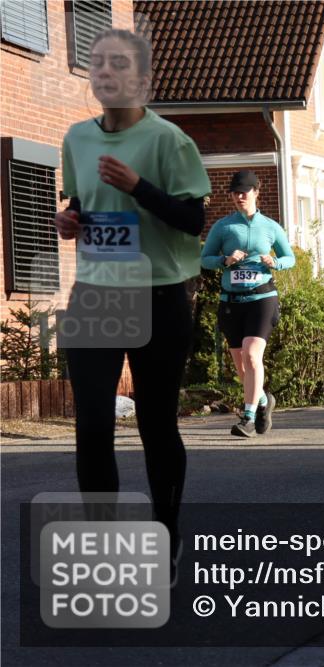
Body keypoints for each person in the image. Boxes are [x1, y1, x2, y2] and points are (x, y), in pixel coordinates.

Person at [53, 29, 211, 580]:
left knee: (155, 423)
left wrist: (140, 186)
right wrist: (68, 221)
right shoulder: (76, 139)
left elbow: (194, 221)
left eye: (119, 65)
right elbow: (83, 204)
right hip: (97, 293)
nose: (105, 73)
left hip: (161, 294)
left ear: (143, 80)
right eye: (96, 64)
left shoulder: (170, 141)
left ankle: (167, 536)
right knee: (93, 425)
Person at [201, 170, 294, 437]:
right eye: (235, 192)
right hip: (231, 301)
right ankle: (264, 401)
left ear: (256, 192)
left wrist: (274, 262)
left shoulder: (271, 226)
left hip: (262, 298)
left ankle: (249, 418)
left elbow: (290, 258)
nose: (239, 196)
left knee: (253, 355)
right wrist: (225, 260)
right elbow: (204, 258)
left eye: (245, 191)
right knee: (241, 366)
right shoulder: (224, 226)